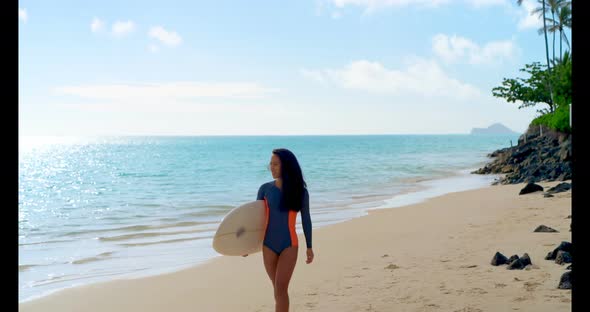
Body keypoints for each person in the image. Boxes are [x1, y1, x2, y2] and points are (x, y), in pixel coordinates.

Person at [244, 148, 314, 312]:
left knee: (281, 289)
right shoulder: (265, 189)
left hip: (289, 244)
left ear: (286, 166)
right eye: (271, 164)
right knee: (277, 290)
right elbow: (257, 220)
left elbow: (306, 219)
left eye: (276, 164)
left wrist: (309, 247)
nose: (272, 167)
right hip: (268, 245)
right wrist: (246, 245)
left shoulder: (300, 191)